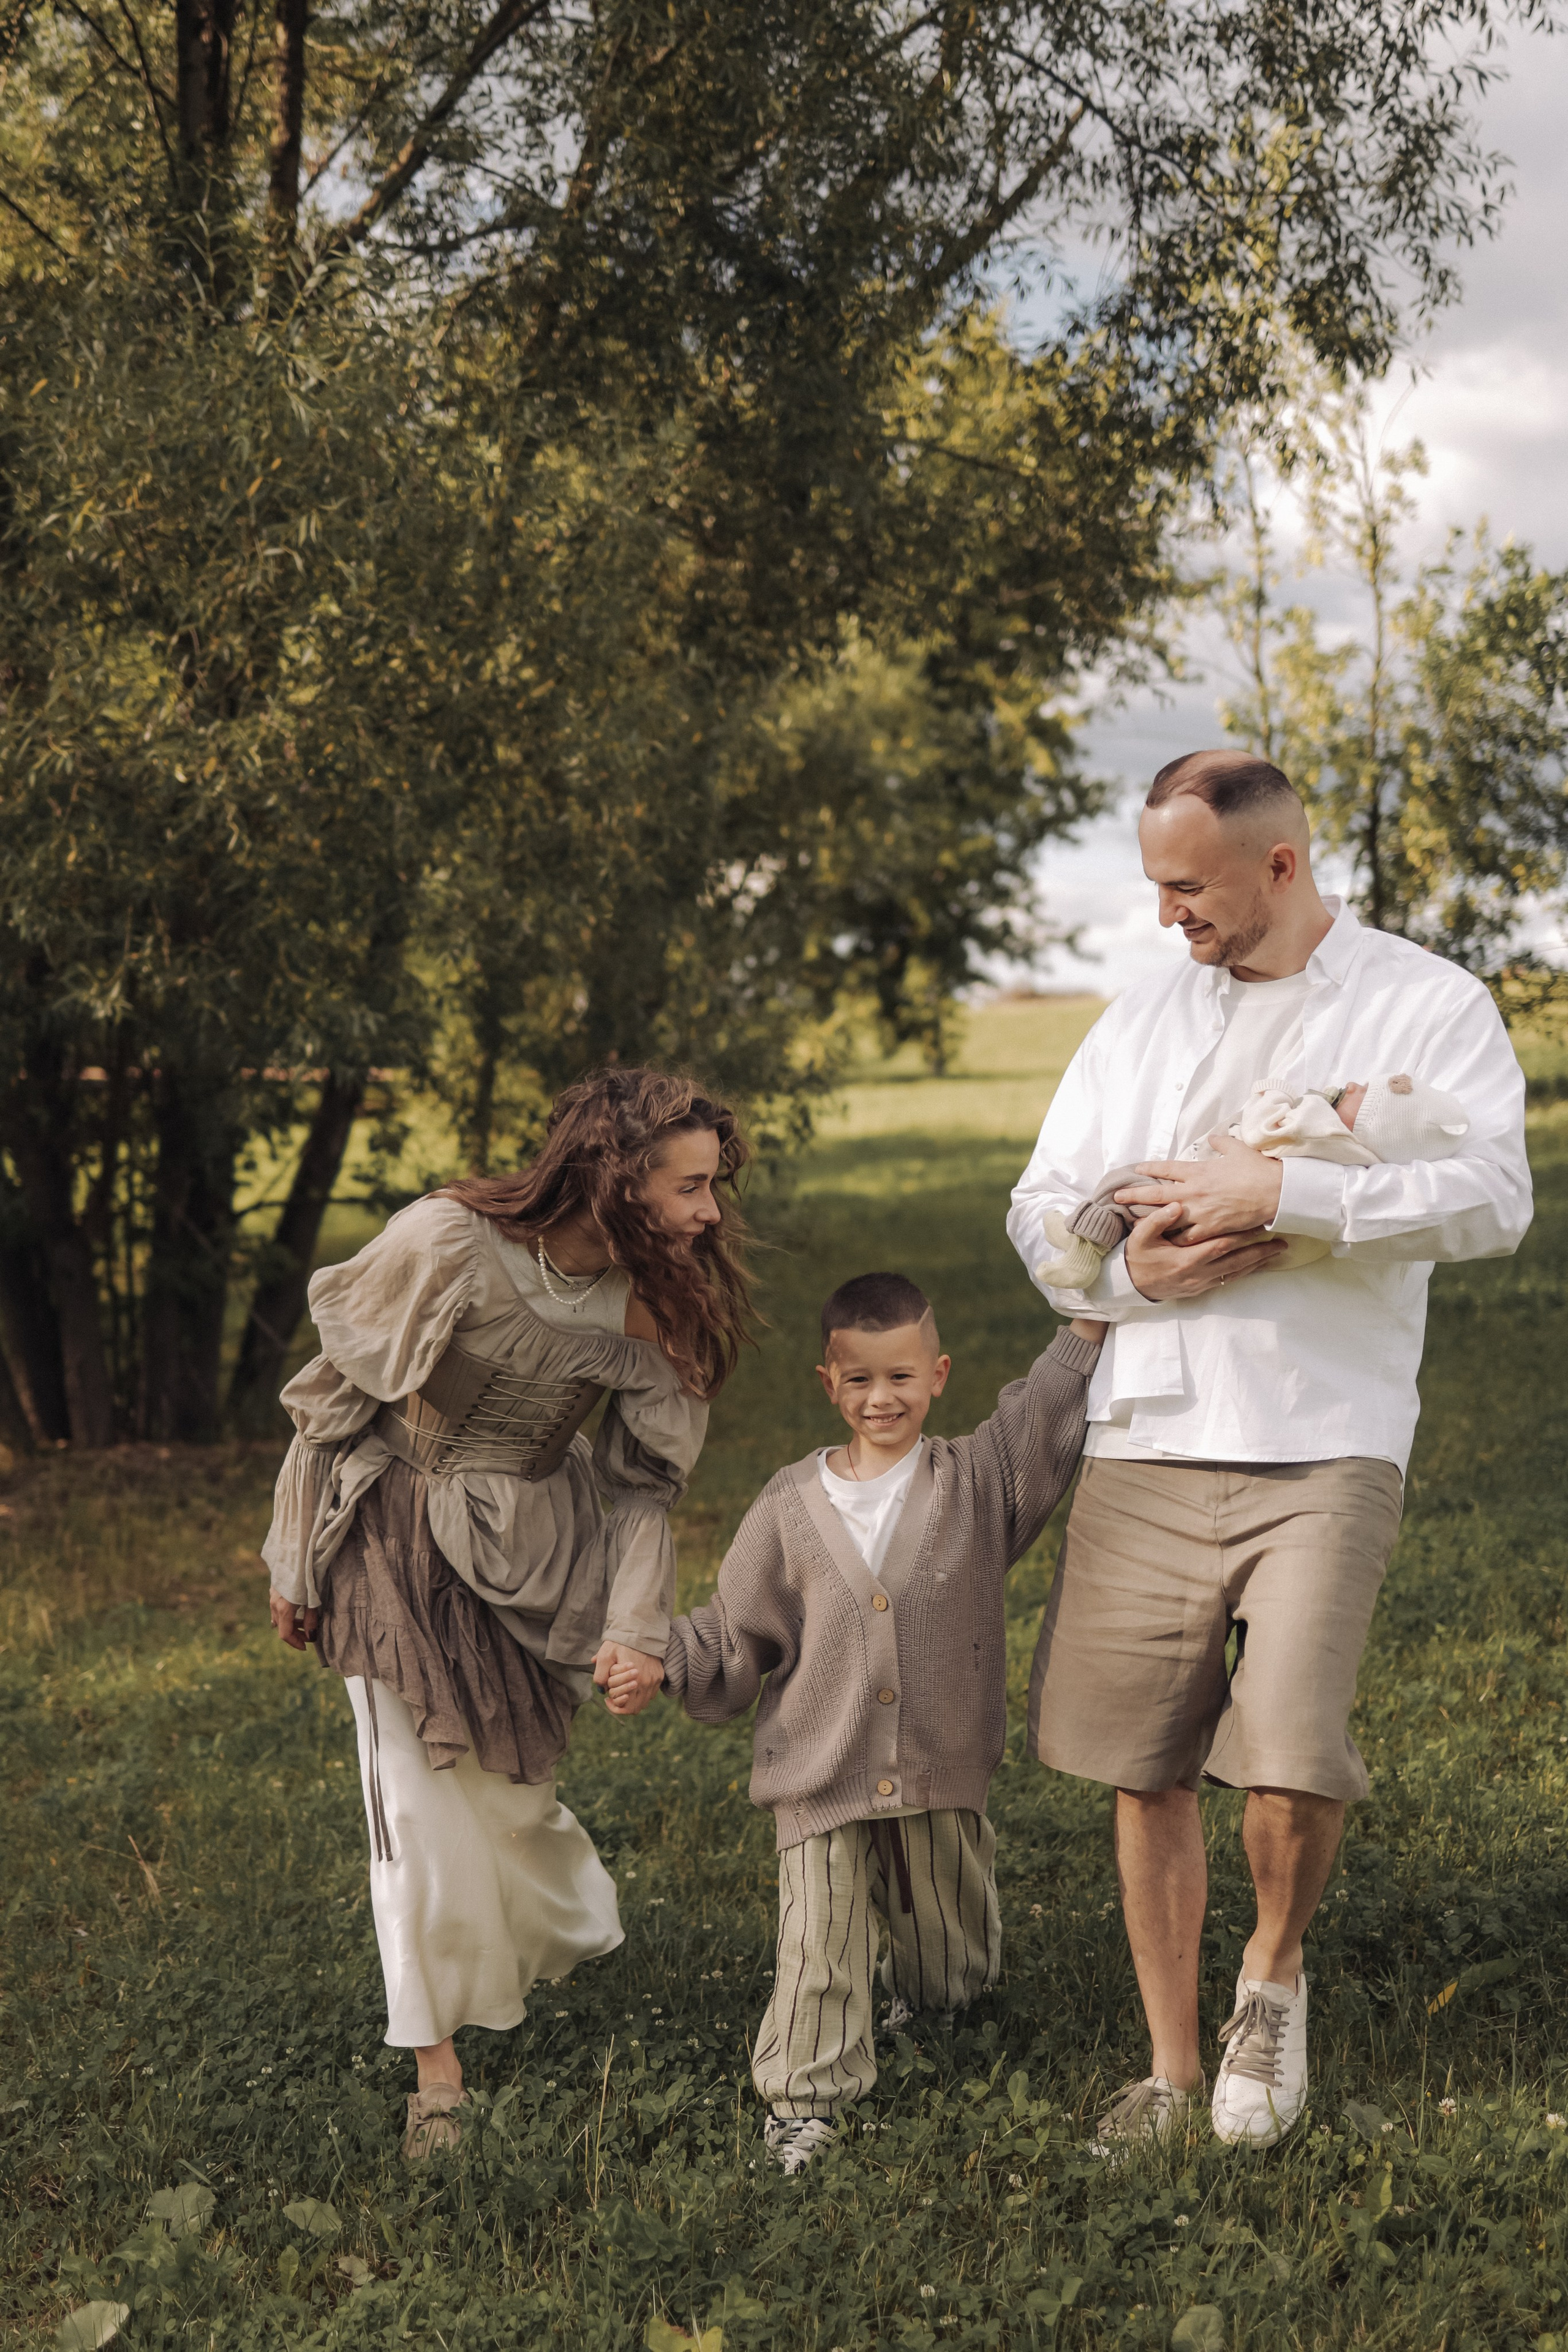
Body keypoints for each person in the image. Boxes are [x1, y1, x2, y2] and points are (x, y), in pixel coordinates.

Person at [1008, 749, 1532, 2154]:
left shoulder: (1424, 1002)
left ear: (1278, 864)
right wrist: (1121, 1273)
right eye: (1154, 885)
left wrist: (1281, 1188)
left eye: (1187, 885)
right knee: (1145, 1762)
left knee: (1289, 1745)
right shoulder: (1134, 1021)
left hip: (1324, 1432)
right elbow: (1038, 1205)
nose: (1164, 913)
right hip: (1146, 1431)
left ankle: (1270, 1980)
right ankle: (1171, 2071)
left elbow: (1493, 1197)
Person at [262, 1068, 752, 2160]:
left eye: (712, 1186)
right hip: (389, 1533)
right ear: (615, 1177)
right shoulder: (446, 1242)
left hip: (527, 1550)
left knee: (511, 1806)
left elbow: (645, 1488)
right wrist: (296, 1560)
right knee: (414, 1807)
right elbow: (333, 1403)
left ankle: (511, 1951)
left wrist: (635, 1628)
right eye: (689, 1187)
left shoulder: (651, 1306)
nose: (711, 1212)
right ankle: (436, 2072)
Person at [646, 1270, 1104, 2175]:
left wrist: (1091, 1319)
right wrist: (657, 1657)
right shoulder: (788, 1506)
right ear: (828, 1383)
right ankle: (804, 2100)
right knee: (821, 1942)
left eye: (900, 1377)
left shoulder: (977, 1481)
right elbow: (734, 1631)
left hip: (939, 1766)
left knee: (950, 1969)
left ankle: (935, 2008)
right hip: (819, 1770)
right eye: (858, 1379)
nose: (880, 1397)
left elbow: (1044, 1417)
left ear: (938, 1375)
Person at [1035, 1069, 1471, 1290]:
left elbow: (1263, 1130)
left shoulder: (1320, 1128)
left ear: (1366, 1125)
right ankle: (1084, 1237)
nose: (1354, 1084)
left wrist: (1273, 1091)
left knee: (1125, 1185)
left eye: (1362, 1094)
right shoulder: (1360, 1162)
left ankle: (1084, 1246)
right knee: (1136, 1209)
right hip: (1227, 1228)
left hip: (1192, 1198)